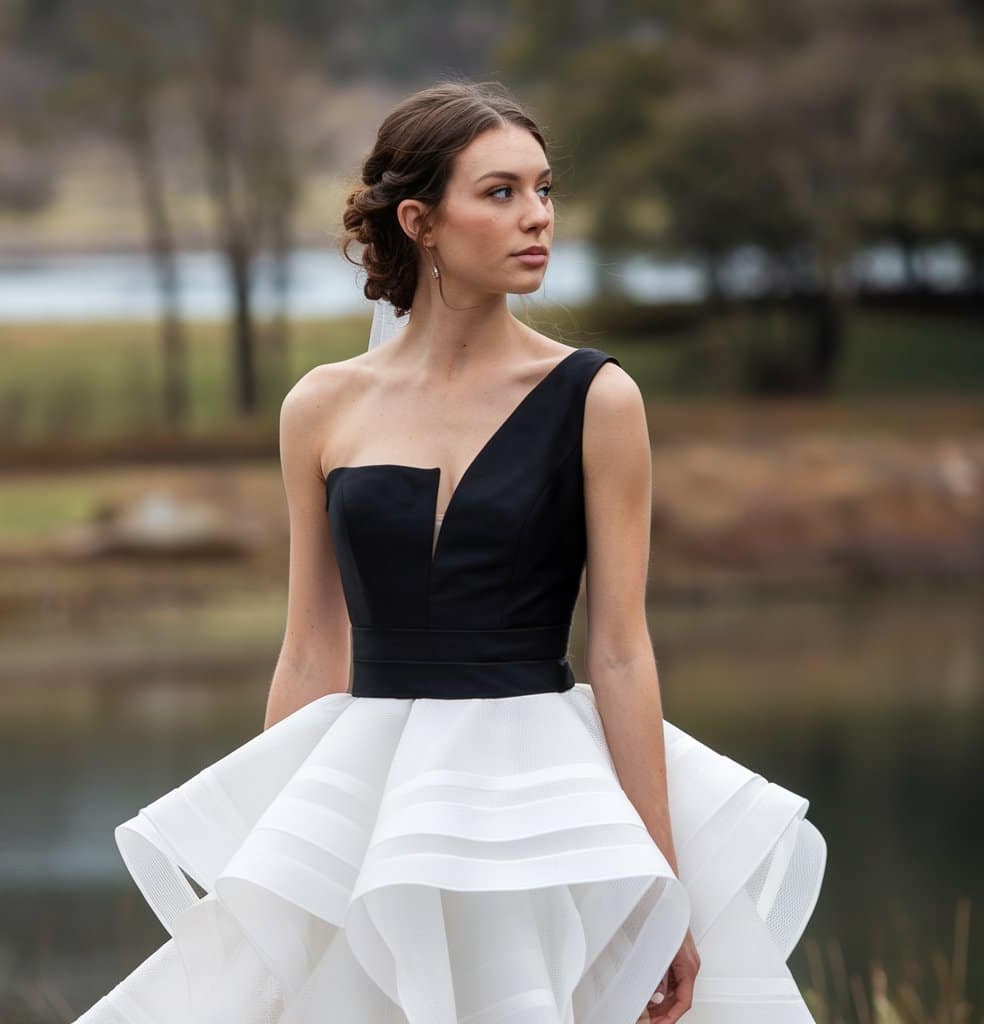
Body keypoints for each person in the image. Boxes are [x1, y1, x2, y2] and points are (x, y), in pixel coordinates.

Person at [71, 79, 826, 1024]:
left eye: (545, 190)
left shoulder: (598, 399)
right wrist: (268, 872)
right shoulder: (320, 406)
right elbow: (310, 649)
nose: (537, 218)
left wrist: (659, 886)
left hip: (539, 809)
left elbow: (622, 650)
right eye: (501, 192)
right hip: (369, 805)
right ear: (420, 220)